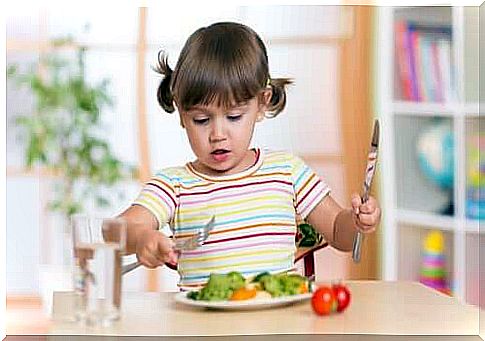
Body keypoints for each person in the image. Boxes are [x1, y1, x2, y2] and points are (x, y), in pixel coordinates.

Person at [119, 22, 381, 289]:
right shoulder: (174, 185)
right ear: (181, 113)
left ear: (261, 103)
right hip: (207, 328)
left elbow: (339, 232)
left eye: (233, 116)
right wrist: (141, 238)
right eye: (200, 119)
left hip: (278, 323)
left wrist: (357, 221)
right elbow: (116, 231)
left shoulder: (287, 171)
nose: (218, 134)